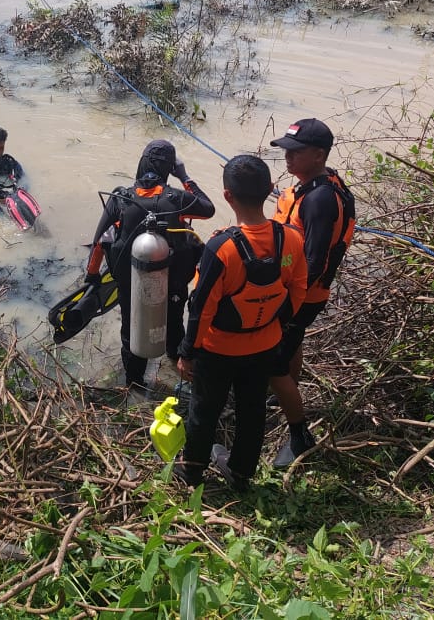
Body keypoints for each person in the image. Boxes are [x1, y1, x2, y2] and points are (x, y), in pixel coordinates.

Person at [176, 154, 308, 490]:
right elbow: (298, 289)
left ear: (227, 196)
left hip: (217, 350)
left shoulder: (221, 248)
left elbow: (202, 307)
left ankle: (192, 471)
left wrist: (187, 351)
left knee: (204, 411)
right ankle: (241, 472)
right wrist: (276, 327)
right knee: (253, 411)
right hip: (263, 345)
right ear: (269, 190)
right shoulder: (292, 239)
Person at [84, 140, 215, 391]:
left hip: (132, 284)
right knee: (175, 326)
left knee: (131, 331)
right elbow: (208, 208)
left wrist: (91, 276)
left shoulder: (120, 197)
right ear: (170, 169)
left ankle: (134, 385)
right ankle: (176, 373)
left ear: (140, 163)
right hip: (173, 284)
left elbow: (100, 241)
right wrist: (185, 175)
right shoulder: (178, 198)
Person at [268, 118, 356, 466]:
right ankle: (289, 387)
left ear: (318, 155)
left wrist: (284, 303)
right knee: (292, 344)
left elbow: (315, 262)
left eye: (295, 152)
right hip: (304, 294)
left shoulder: (320, 199)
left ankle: (299, 434)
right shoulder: (317, 184)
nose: (287, 159)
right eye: (286, 151)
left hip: (302, 296)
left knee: (271, 362)